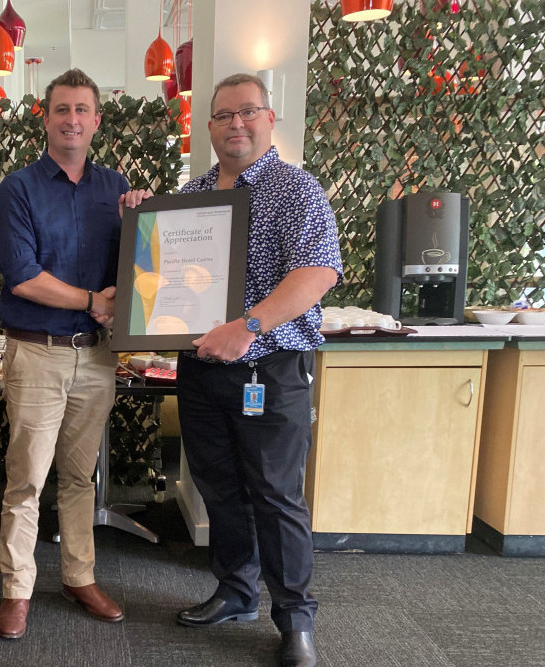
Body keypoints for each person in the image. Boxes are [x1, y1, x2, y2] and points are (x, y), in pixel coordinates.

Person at [174, 74, 343, 667]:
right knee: (218, 489)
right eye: (223, 115)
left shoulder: (298, 190)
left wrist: (246, 326)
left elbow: (317, 272)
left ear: (270, 119)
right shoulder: (191, 195)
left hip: (268, 369)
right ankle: (236, 590)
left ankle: (295, 620)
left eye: (248, 112)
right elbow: (170, 275)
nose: (236, 124)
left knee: (275, 496)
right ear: (210, 127)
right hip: (199, 372)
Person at [0, 68, 150, 640]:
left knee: (81, 477)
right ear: (47, 117)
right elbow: (23, 277)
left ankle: (78, 576)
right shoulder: (19, 188)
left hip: (97, 357)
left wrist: (146, 220)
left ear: (96, 120)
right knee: (28, 479)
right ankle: (17, 589)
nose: (73, 120)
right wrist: (91, 300)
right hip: (38, 354)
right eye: (63, 109)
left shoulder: (117, 187)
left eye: (83, 110)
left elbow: (139, 266)